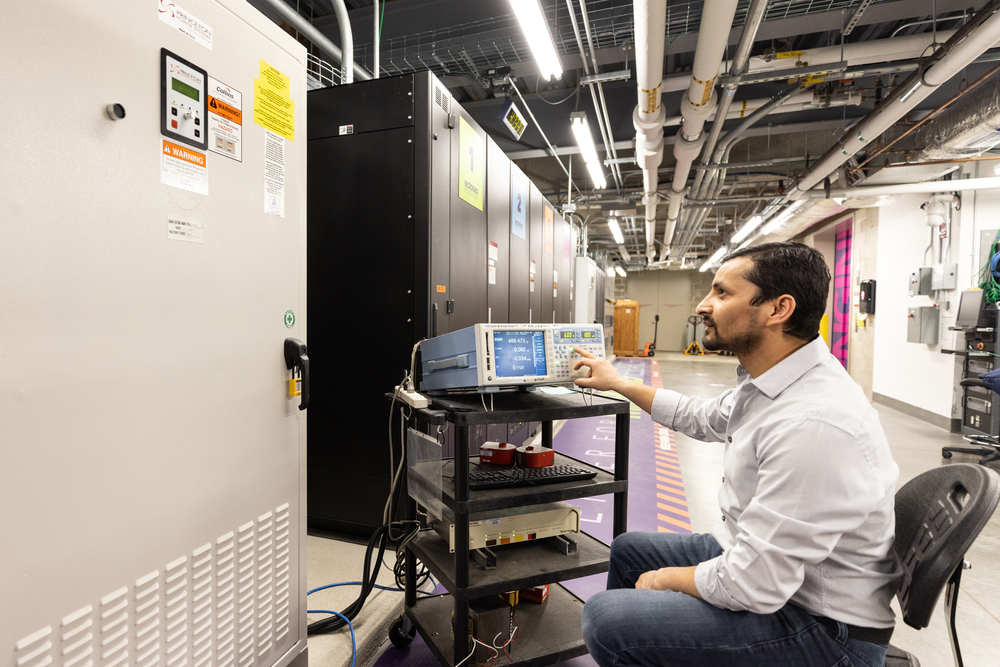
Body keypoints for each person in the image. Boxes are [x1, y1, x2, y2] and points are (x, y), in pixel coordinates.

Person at [572, 242, 901, 667]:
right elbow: (705, 417)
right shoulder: (779, 379)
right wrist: (619, 382)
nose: (704, 305)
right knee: (630, 550)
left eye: (722, 293)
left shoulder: (814, 422)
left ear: (778, 309)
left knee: (606, 617)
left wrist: (665, 581)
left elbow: (754, 584)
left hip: (823, 630)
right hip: (780, 579)